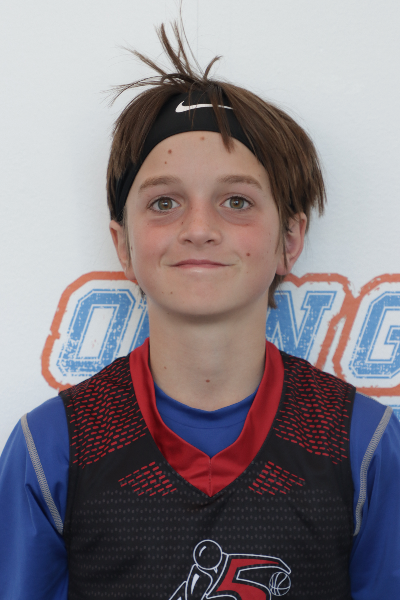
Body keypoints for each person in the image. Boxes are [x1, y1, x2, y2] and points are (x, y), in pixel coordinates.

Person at [1, 21, 399, 600]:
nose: (199, 228)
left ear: (290, 239)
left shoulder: (362, 444)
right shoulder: (52, 449)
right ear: (123, 244)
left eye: (236, 200)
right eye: (165, 203)